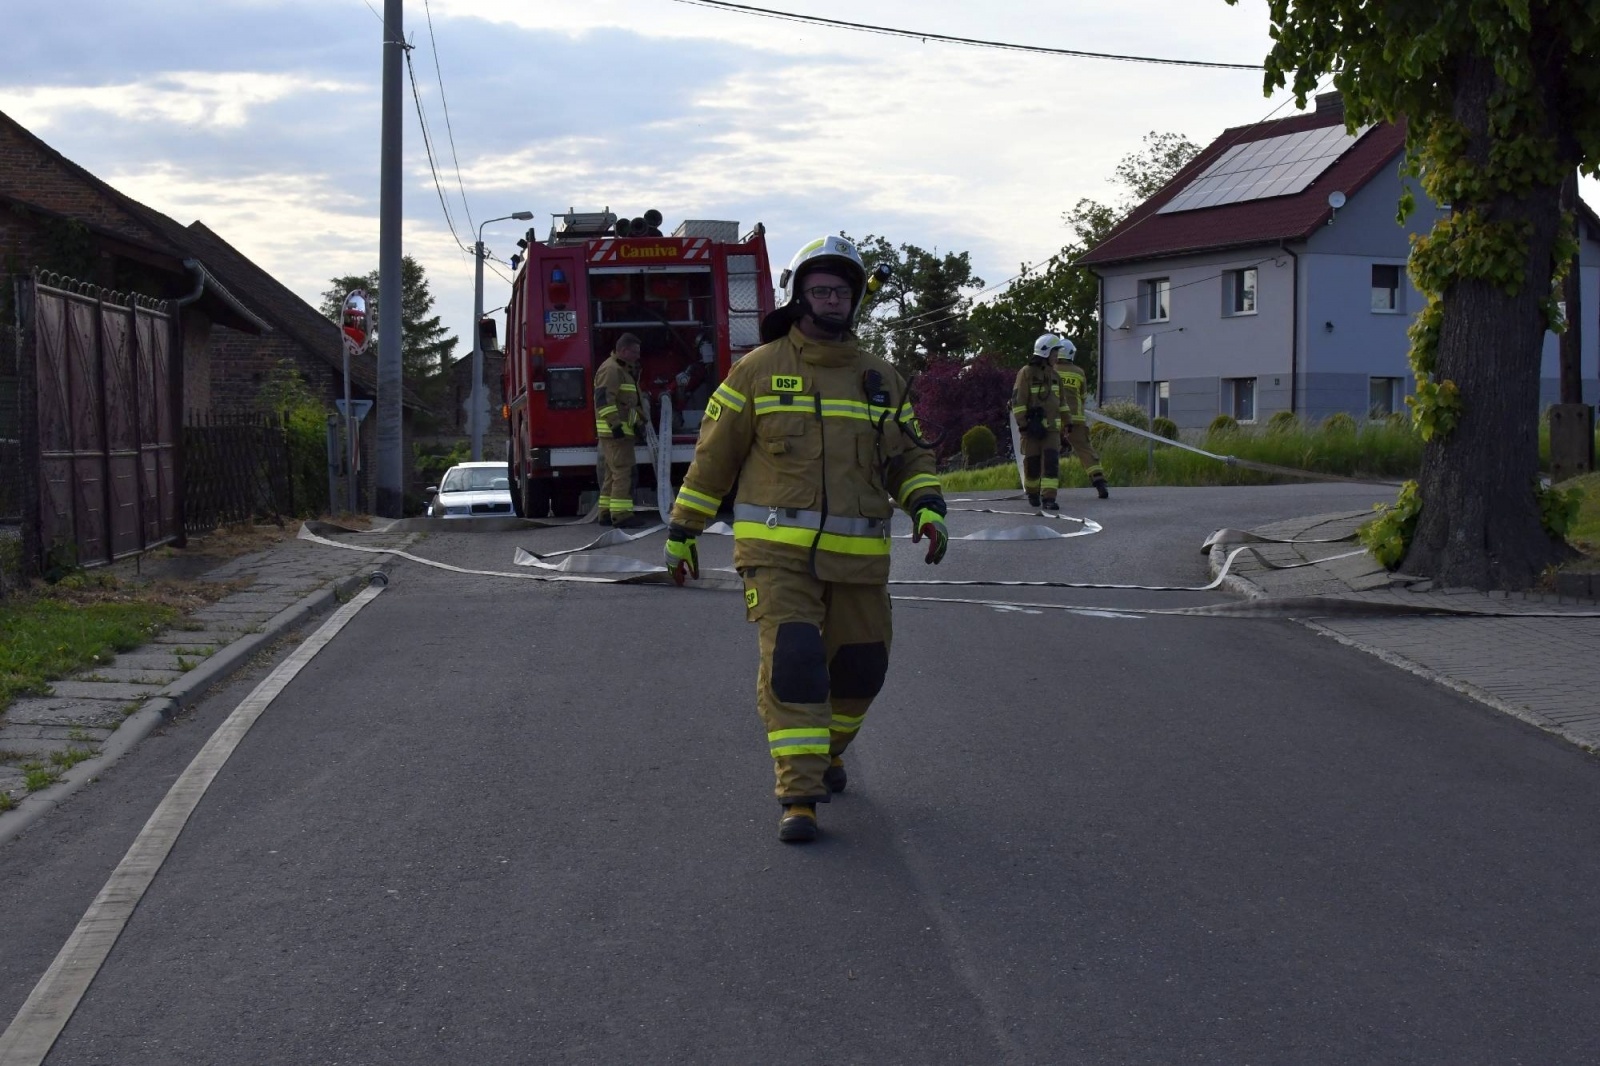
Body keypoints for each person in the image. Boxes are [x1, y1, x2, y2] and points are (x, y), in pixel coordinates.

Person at [663, 235, 949, 844]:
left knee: (862, 672)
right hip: (776, 557)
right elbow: (714, 456)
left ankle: (830, 752)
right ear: (799, 297)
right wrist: (683, 531)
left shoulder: (880, 379)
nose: (831, 300)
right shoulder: (759, 369)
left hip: (861, 560)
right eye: (820, 290)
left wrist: (928, 507)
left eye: (842, 291)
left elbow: (910, 456)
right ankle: (799, 795)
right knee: (794, 664)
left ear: (856, 300)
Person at [593, 333, 644, 527]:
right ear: (623, 350)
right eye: (634, 352)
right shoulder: (612, 370)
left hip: (618, 431)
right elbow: (604, 400)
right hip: (616, 433)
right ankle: (622, 515)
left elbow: (627, 403)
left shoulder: (621, 370)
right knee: (623, 472)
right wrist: (615, 426)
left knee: (611, 473)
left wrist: (637, 424)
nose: (637, 356)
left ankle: (605, 513)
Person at [1012, 335, 1066, 510]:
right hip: (1032, 428)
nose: (1057, 356)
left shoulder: (1056, 376)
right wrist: (1023, 424)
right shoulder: (1026, 373)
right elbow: (1018, 401)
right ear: (1045, 353)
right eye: (1054, 352)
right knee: (1032, 463)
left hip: (1051, 429)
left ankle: (1049, 498)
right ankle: (1033, 492)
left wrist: (1069, 423)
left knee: (1051, 462)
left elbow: (1062, 403)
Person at [1052, 336, 1110, 499]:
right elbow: (1083, 396)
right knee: (1085, 450)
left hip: (1053, 419)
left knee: (1049, 451)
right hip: (1076, 419)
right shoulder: (1079, 372)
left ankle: (1045, 489)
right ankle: (1099, 482)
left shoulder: (1050, 371)